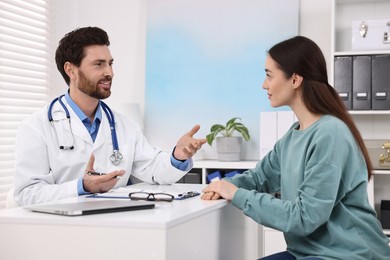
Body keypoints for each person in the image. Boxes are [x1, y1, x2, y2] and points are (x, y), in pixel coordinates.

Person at [202, 36, 390, 259]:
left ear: (295, 80)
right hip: (306, 252)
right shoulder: (294, 135)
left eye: (269, 75)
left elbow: (304, 218)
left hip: (347, 254)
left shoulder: (330, 134)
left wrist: (236, 194)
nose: (264, 85)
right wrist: (223, 186)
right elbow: (259, 178)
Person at [14, 26, 206, 206]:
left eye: (110, 64)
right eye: (99, 65)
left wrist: (178, 156)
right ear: (70, 70)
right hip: (61, 230)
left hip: (115, 226)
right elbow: (27, 194)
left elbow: (154, 169)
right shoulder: (36, 126)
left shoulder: (124, 125)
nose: (109, 73)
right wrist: (81, 187)